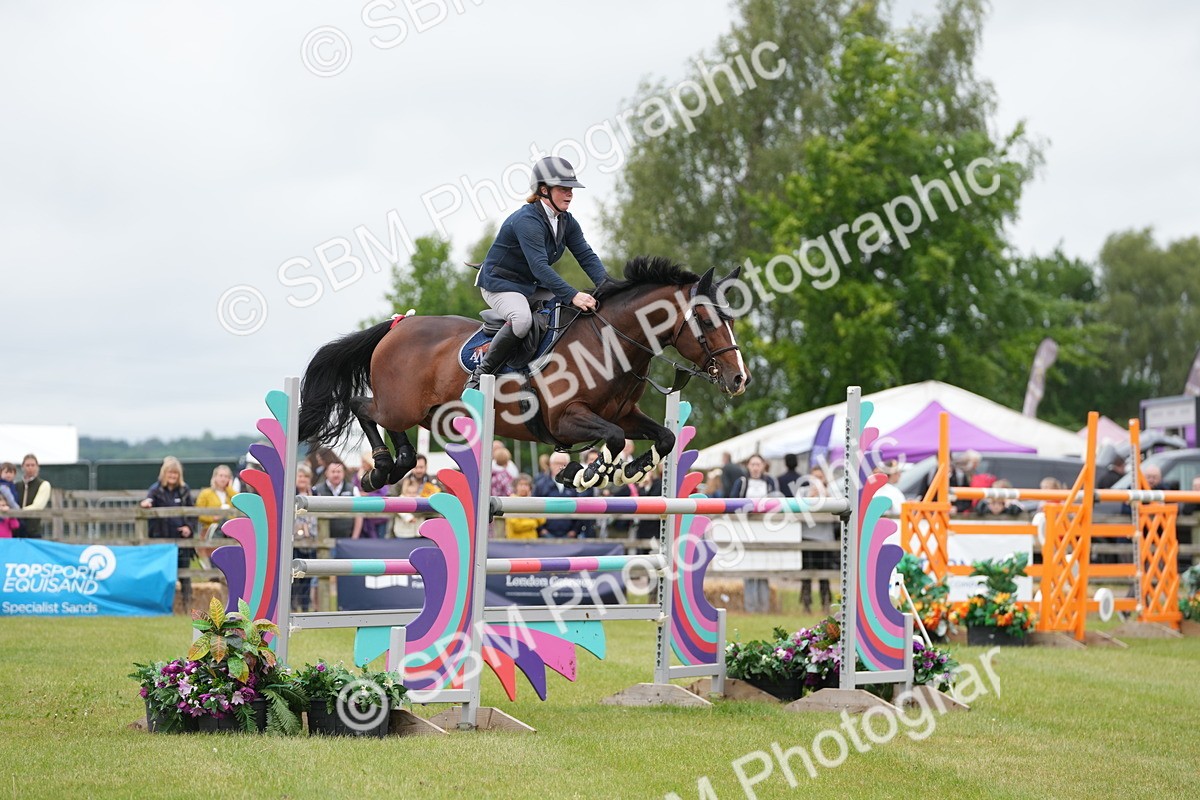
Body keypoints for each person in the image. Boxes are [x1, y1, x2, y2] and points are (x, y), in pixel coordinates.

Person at [467, 156, 612, 390]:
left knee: (567, 313)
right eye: (564, 189)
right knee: (522, 320)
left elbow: (586, 256)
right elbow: (540, 267)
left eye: (571, 189)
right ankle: (480, 375)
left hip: (528, 286)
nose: (570, 194)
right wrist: (573, 293)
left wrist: (609, 288)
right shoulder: (527, 220)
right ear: (544, 190)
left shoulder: (566, 221)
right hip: (499, 284)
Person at [140, 457, 196, 609]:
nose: (173, 476)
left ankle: (187, 607)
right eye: (170, 473)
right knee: (162, 575)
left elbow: (192, 513)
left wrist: (189, 527)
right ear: (164, 473)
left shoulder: (184, 490)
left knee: (185, 575)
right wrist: (146, 503)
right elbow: (148, 500)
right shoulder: (156, 489)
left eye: (175, 474)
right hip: (161, 540)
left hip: (181, 541)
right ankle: (161, 606)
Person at [534, 451, 592, 538]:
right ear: (550, 464)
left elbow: (581, 506)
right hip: (545, 534)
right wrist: (541, 530)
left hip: (570, 534)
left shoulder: (576, 484)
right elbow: (534, 508)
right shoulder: (540, 485)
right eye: (556, 463)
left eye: (564, 464)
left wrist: (575, 530)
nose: (560, 466)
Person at [292, 465, 319, 612]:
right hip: (295, 539)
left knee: (308, 575)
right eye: (300, 476)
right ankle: (292, 605)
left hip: (311, 539)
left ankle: (305, 606)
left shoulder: (314, 493)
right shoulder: (290, 494)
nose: (302, 479)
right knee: (293, 575)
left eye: (305, 476)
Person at [312, 459, 361, 539]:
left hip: (347, 538)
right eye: (333, 471)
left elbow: (359, 515)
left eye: (339, 472)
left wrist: (354, 537)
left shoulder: (353, 489)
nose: (336, 474)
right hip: (322, 539)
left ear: (343, 473)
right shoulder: (316, 490)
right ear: (326, 473)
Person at [14, 454, 51, 539]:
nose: (30, 468)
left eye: (33, 465)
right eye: (27, 465)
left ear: (37, 467)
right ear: (22, 467)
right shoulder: (17, 485)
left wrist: (17, 512)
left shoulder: (44, 485)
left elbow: (37, 506)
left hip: (33, 531)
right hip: (16, 530)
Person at [505, 474, 544, 540]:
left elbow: (542, 519)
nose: (523, 487)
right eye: (521, 485)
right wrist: (533, 523)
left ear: (530, 487)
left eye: (526, 485)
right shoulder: (511, 501)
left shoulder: (533, 501)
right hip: (515, 542)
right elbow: (516, 525)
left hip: (532, 541)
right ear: (516, 487)